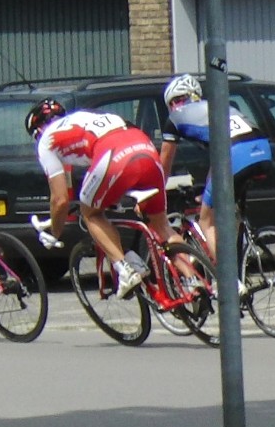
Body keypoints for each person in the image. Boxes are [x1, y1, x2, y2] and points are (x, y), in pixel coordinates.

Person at [28, 98, 171, 297]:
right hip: (143, 146)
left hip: (114, 155)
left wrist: (55, 232)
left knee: (91, 214)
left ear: (38, 130)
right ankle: (194, 282)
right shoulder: (83, 118)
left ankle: (125, 269)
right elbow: (71, 190)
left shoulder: (46, 142)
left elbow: (60, 199)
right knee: (162, 225)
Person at [156, 73, 273, 260]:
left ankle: (230, 284)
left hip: (236, 154)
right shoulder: (217, 107)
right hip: (263, 149)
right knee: (229, 213)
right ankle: (240, 259)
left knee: (206, 221)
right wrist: (207, 192)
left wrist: (157, 192)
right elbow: (218, 156)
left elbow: (165, 161)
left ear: (173, 103)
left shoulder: (176, 118)